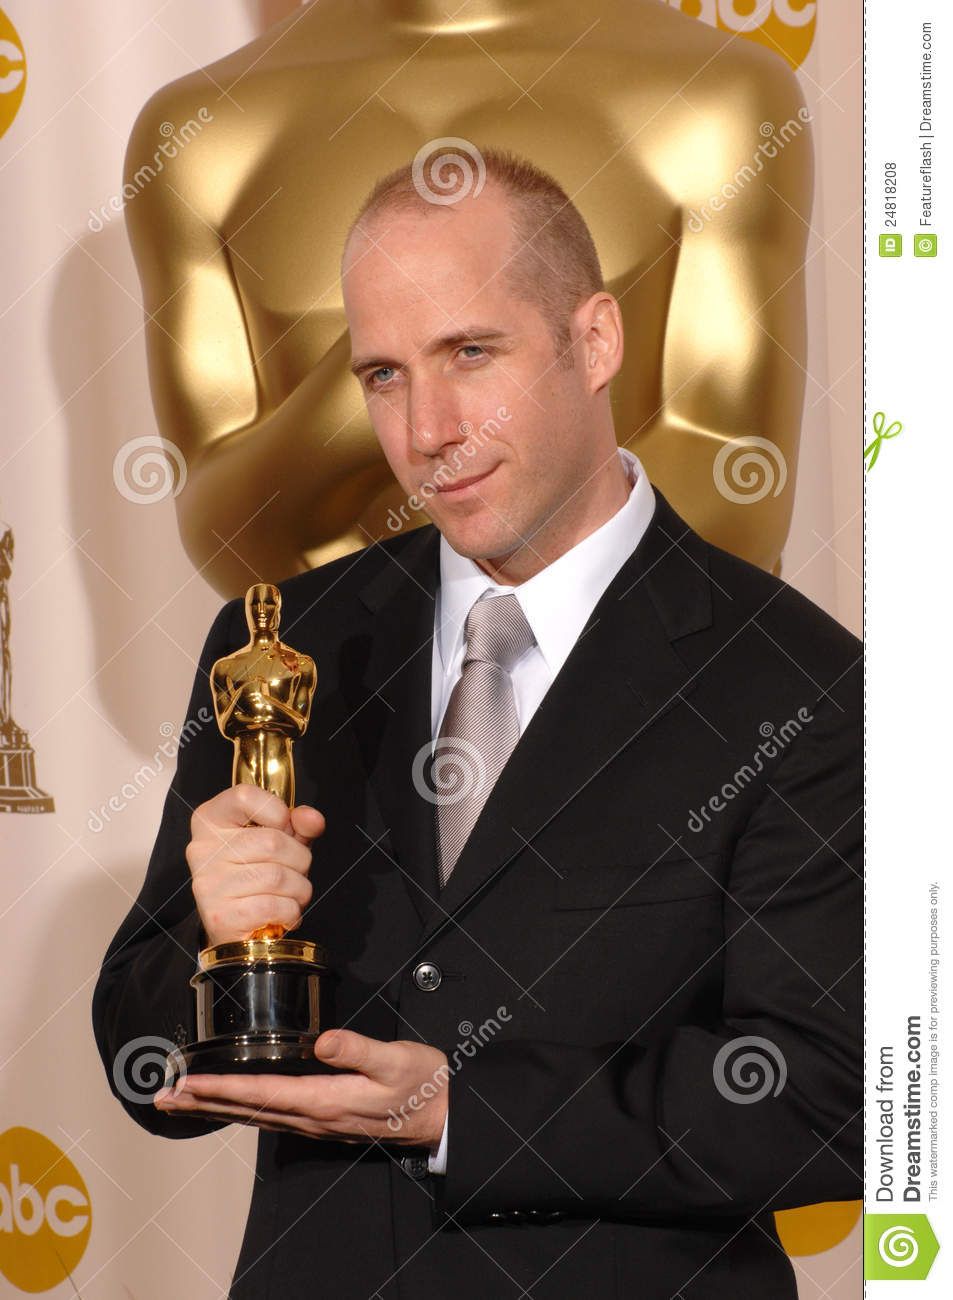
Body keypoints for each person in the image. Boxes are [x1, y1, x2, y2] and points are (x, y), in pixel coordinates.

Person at [93, 149, 861, 1300]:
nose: (427, 429)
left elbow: (831, 1100)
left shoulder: (796, 683)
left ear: (592, 341)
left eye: (468, 354)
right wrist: (213, 939)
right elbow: (140, 1057)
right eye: (383, 374)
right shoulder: (286, 647)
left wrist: (461, 1112)